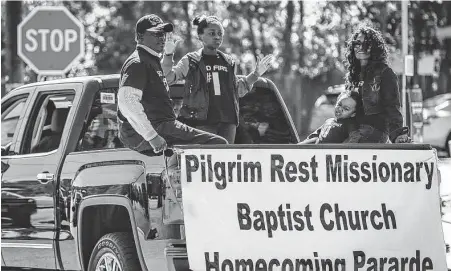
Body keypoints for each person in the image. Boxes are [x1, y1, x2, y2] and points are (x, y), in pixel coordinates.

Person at [117, 14, 227, 155]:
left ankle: (177, 174)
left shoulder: (150, 59)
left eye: (163, 34)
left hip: (159, 127)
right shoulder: (139, 62)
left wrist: (168, 55)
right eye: (156, 34)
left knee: (184, 158)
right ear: (140, 36)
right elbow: (127, 100)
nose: (161, 38)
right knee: (217, 144)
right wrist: (152, 136)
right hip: (153, 129)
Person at [161, 15, 275, 144]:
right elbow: (168, 78)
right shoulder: (191, 60)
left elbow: (237, 91)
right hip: (201, 122)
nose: (217, 37)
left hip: (228, 122)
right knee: (206, 160)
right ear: (200, 36)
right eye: (212, 33)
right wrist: (168, 54)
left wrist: (255, 74)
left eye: (220, 34)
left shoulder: (229, 61)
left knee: (223, 160)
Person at [343, 24, 410, 143]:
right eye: (357, 43)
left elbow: (392, 107)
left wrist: (397, 135)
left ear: (374, 48)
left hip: (374, 130)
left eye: (367, 44)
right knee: (321, 137)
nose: (361, 48)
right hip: (352, 130)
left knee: (343, 148)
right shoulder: (352, 75)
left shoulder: (385, 73)